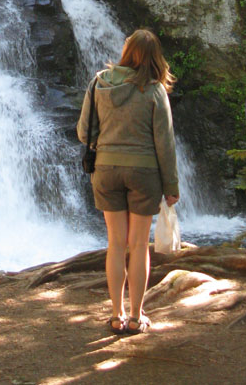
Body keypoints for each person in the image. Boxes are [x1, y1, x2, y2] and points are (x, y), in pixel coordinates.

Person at [77, 29, 180, 336]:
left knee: (115, 244)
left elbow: (84, 132)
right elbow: (165, 144)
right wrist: (171, 187)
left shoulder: (99, 83)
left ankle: (115, 314)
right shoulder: (154, 91)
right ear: (154, 58)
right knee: (138, 246)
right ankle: (136, 317)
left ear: (126, 52)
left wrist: (108, 141)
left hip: (106, 171)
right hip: (144, 174)